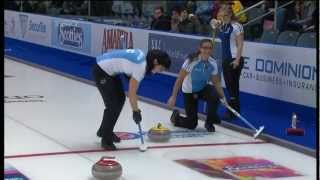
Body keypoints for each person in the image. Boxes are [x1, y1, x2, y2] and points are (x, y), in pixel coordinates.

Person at [92, 49, 171, 150]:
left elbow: (127, 67)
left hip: (110, 71)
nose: (160, 71)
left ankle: (104, 131)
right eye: (161, 68)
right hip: (101, 70)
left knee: (120, 99)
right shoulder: (141, 67)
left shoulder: (142, 58)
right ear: (155, 62)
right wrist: (136, 111)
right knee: (113, 105)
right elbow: (132, 93)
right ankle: (106, 139)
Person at [167, 39, 228, 132]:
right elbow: (179, 79)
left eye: (210, 48)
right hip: (189, 91)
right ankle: (175, 117)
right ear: (200, 48)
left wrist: (223, 98)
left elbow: (216, 82)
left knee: (215, 96)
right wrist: (173, 97)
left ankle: (209, 122)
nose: (207, 50)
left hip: (202, 88)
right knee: (192, 124)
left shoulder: (213, 63)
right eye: (205, 48)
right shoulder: (191, 61)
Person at [210, 6, 244, 120]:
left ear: (230, 15)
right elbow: (216, 33)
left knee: (232, 87)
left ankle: (232, 111)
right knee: (231, 87)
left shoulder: (237, 26)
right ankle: (235, 111)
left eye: (224, 16)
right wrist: (215, 25)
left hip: (234, 59)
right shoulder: (223, 26)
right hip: (226, 59)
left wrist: (237, 60)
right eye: (220, 16)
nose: (221, 18)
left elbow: (240, 44)